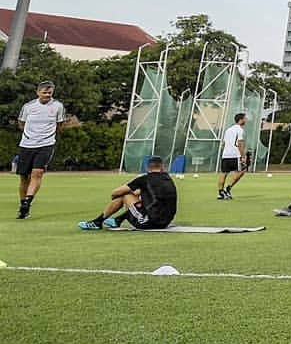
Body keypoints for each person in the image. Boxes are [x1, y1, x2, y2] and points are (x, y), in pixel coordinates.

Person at [78, 155, 177, 231]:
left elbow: (116, 192)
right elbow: (149, 194)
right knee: (142, 197)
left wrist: (116, 197)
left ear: (148, 168)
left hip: (149, 222)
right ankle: (117, 220)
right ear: (162, 167)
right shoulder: (168, 179)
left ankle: (97, 222)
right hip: (165, 222)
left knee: (125, 195)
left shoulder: (144, 179)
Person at [16, 81, 66, 220]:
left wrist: (47, 136)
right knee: (24, 177)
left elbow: (60, 125)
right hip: (26, 144)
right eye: (44, 93)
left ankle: (28, 201)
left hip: (46, 144)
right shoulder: (28, 107)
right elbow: (21, 123)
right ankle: (23, 206)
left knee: (37, 173)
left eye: (50, 93)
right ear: (37, 92)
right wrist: (31, 134)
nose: (47, 95)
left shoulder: (58, 106)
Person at [218, 113, 247, 200]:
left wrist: (225, 152)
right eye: (245, 119)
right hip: (235, 155)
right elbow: (240, 143)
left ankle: (220, 193)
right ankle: (228, 188)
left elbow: (223, 143)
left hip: (225, 155)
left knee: (223, 173)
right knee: (242, 170)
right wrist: (243, 156)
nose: (246, 120)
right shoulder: (240, 130)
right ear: (241, 120)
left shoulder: (228, 130)